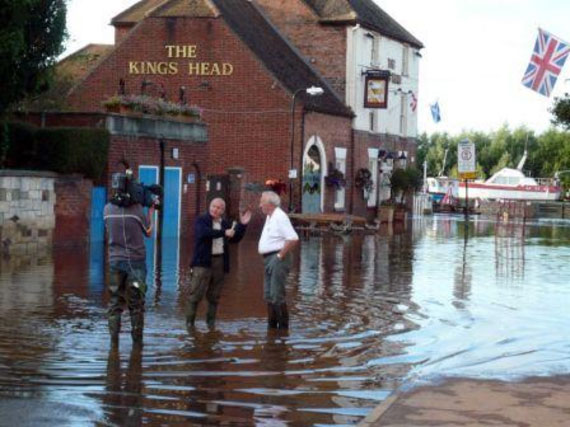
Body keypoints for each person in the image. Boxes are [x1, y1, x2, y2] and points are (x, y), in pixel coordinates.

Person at [187, 198, 251, 329]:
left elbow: (235, 238)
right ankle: (189, 325)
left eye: (219, 208)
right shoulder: (202, 220)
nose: (215, 210)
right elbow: (203, 233)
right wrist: (223, 232)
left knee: (214, 296)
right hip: (202, 262)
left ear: (223, 210)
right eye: (213, 206)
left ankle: (211, 325)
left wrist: (243, 225)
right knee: (195, 294)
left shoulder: (225, 223)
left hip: (220, 261)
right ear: (209, 207)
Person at [104, 190, 155, 347]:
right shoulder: (137, 210)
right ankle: (137, 345)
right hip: (136, 263)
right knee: (136, 303)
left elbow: (109, 230)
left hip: (115, 262)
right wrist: (151, 211)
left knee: (114, 302)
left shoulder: (107, 209)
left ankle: (113, 344)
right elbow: (148, 232)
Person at [258, 191, 299, 329]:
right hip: (269, 258)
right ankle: (272, 328)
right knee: (269, 295)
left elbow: (293, 238)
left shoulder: (280, 217)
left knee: (277, 295)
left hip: (278, 258)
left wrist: (279, 256)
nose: (260, 205)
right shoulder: (270, 216)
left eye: (261, 202)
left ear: (269, 204)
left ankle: (282, 330)